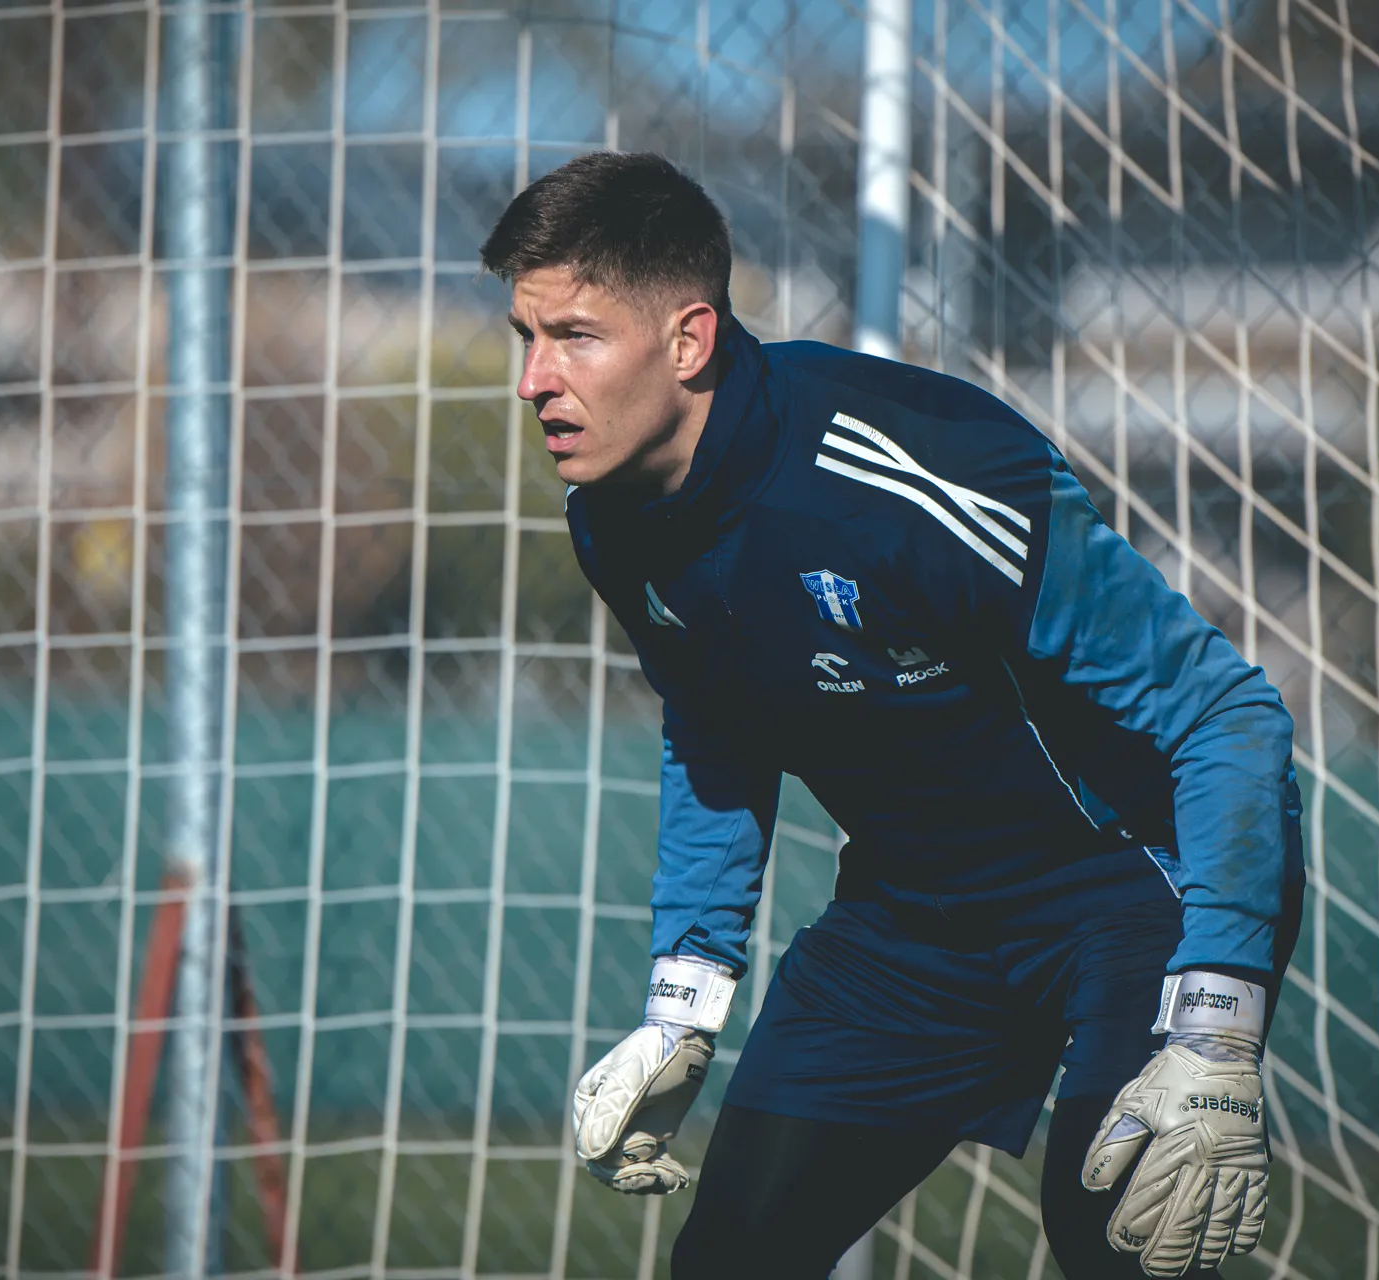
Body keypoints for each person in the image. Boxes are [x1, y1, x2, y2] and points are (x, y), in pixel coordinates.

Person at [479, 150, 1303, 1279]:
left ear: (688, 340)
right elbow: (714, 729)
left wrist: (1218, 1023)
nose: (533, 380)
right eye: (525, 336)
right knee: (730, 1259)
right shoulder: (612, 518)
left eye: (573, 335)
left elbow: (1226, 713)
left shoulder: (920, 469)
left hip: (1130, 887)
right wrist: (681, 1007)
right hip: (914, 914)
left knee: (1116, 1240)